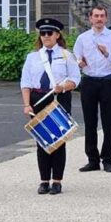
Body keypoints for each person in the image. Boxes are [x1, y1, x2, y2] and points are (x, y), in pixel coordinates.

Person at [19, 18, 80, 194]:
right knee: (42, 140)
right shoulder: (33, 57)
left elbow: (76, 79)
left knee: (59, 141)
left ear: (57, 35)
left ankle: (57, 181)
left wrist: (63, 87)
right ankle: (44, 180)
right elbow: (26, 82)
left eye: (49, 33)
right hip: (38, 98)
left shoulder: (67, 55)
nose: (46, 36)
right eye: (43, 33)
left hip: (59, 98)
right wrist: (26, 104)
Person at [73, 4, 111, 173]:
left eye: (102, 16)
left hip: (107, 82)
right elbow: (75, 59)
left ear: (106, 18)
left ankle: (108, 159)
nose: (99, 19)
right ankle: (92, 159)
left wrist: (106, 53)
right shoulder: (83, 38)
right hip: (89, 81)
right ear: (90, 18)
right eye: (96, 16)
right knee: (90, 122)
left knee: (108, 122)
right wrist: (79, 63)